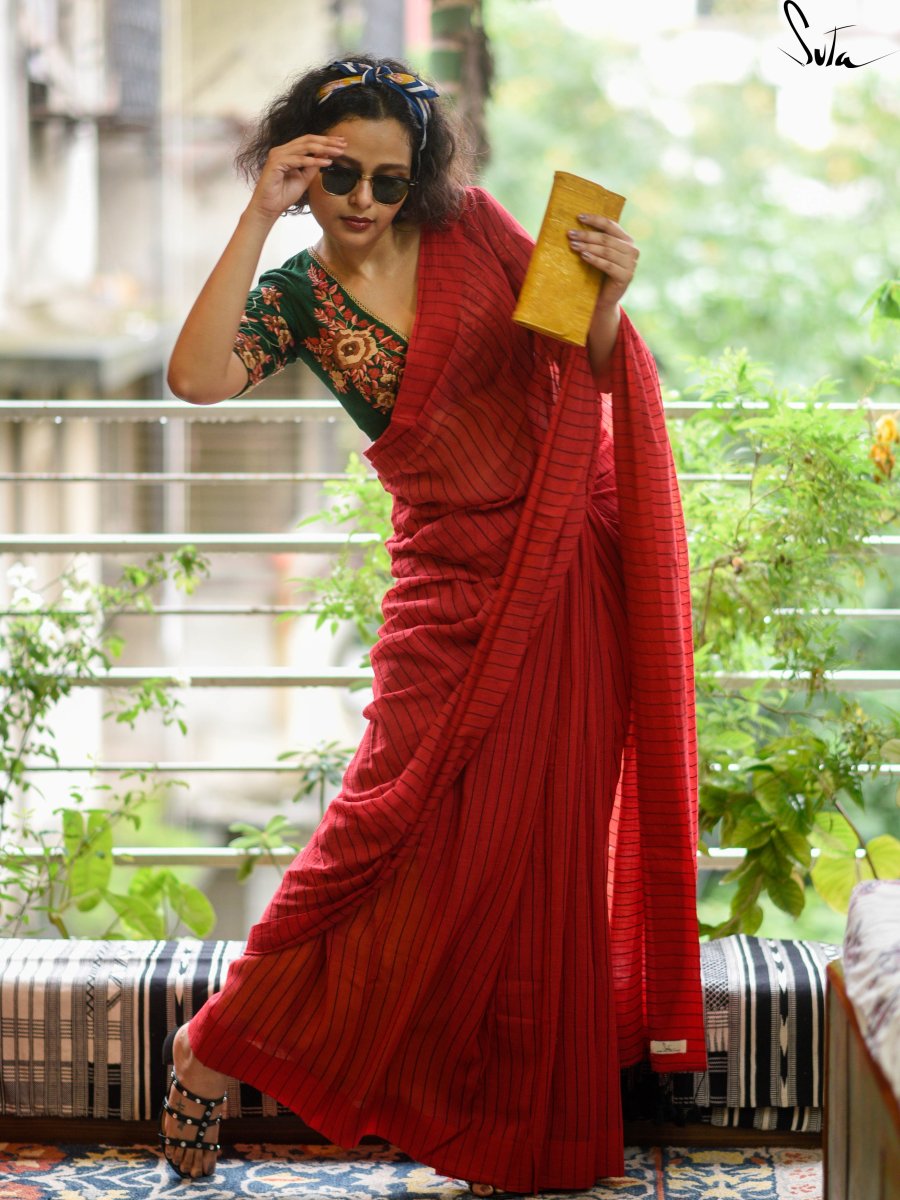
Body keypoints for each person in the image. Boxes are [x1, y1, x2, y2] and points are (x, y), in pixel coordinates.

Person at [161, 55, 707, 1195]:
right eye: (337, 174)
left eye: (390, 180)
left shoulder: (484, 236)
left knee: (540, 840)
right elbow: (199, 377)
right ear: (301, 170)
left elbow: (593, 373)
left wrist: (610, 296)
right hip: (446, 581)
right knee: (376, 825)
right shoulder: (302, 296)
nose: (363, 200)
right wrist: (257, 217)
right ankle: (217, 1041)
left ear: (425, 181)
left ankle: (516, 1120)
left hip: (569, 569)